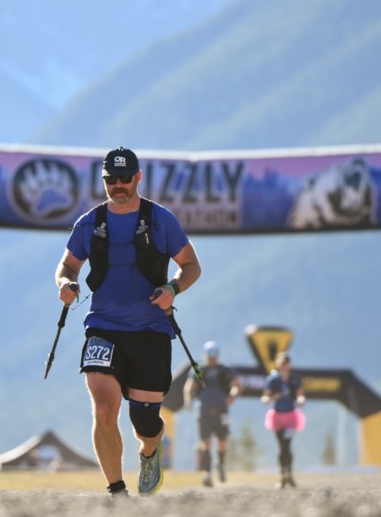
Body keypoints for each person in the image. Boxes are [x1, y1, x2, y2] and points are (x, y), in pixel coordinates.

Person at [54, 146, 202, 497]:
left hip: (151, 329)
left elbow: (191, 265)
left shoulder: (160, 219)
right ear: (103, 181)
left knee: (145, 422)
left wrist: (173, 288)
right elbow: (67, 266)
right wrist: (65, 284)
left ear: (137, 178)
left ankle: (150, 451)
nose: (118, 185)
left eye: (124, 178)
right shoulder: (90, 222)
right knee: (104, 406)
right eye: (111, 179)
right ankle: (116, 490)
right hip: (103, 326)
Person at [183, 341, 242, 487]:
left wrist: (232, 397)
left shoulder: (225, 370)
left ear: (218, 355)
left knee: (222, 441)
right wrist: (188, 400)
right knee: (206, 442)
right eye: (210, 354)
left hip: (222, 411)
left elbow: (237, 384)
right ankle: (207, 473)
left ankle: (221, 464)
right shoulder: (199, 369)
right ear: (205, 354)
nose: (212, 357)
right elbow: (190, 386)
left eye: (214, 354)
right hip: (204, 411)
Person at [261, 351, 306, 488]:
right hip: (278, 416)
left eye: (286, 364)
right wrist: (272, 398)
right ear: (278, 365)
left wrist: (300, 400)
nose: (284, 367)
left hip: (291, 416)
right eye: (282, 364)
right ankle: (283, 475)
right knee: (282, 446)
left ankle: (288, 475)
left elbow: (300, 395)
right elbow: (265, 397)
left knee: (287, 445)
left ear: (289, 365)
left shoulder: (295, 379)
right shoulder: (273, 380)